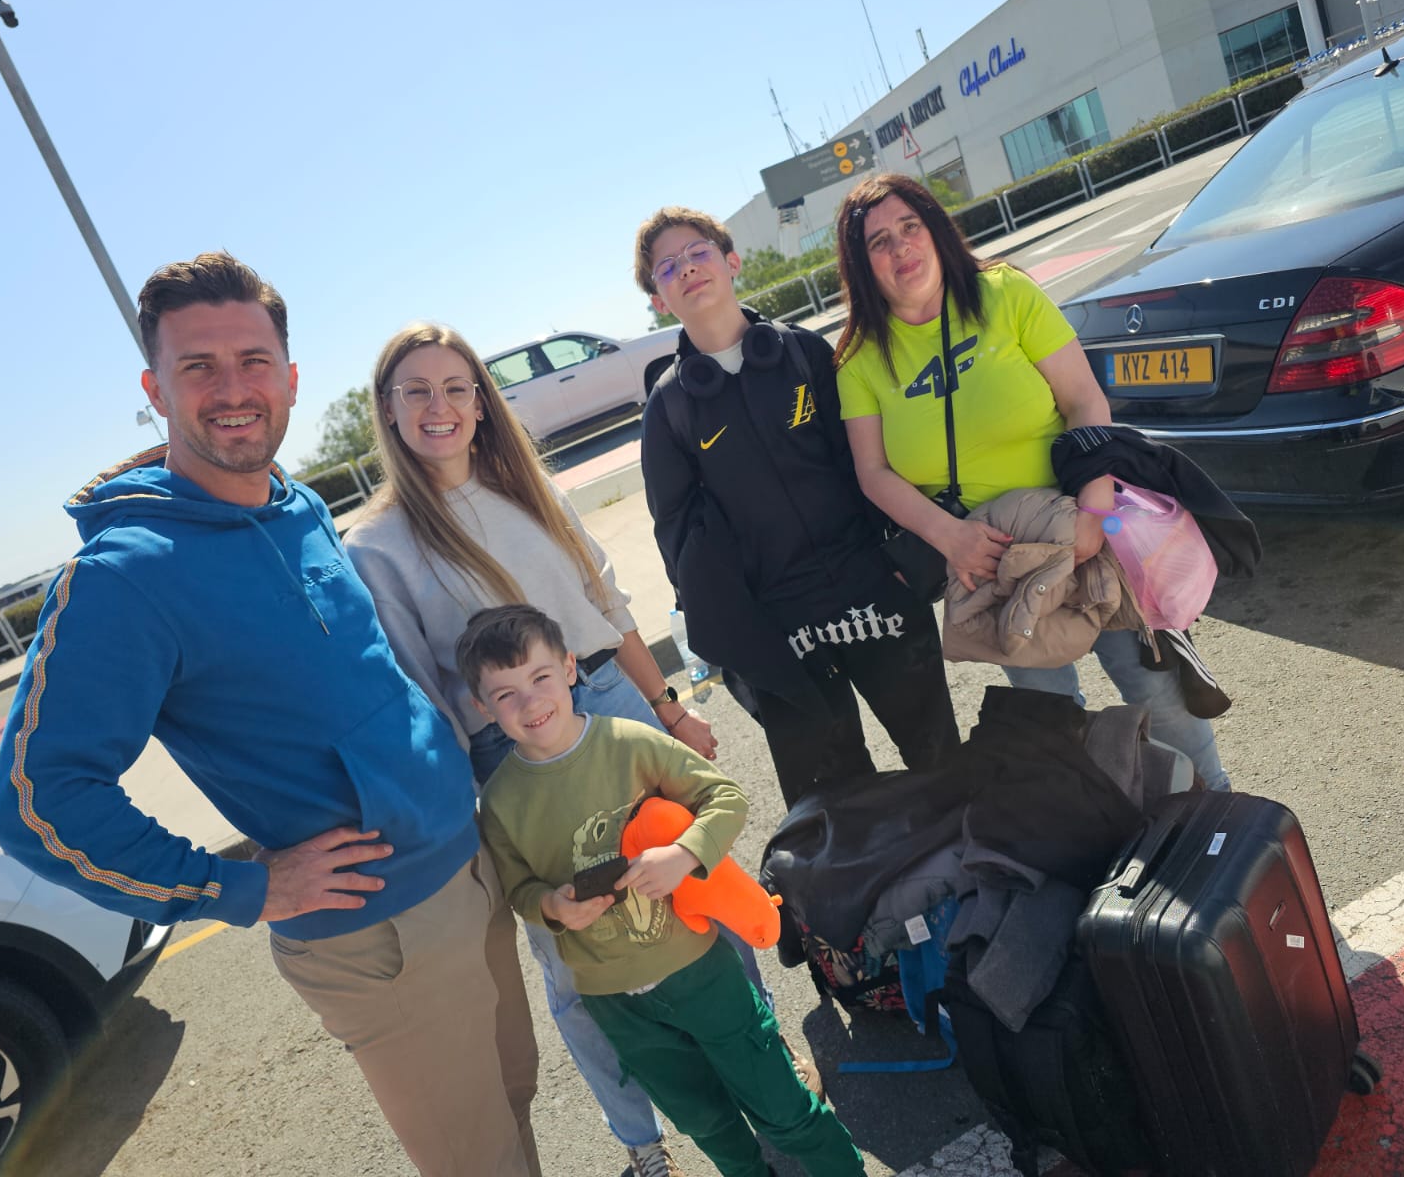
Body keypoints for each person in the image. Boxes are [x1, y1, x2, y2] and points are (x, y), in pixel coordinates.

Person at [0, 253, 540, 1177]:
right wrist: (238, 889)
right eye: (197, 366)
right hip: (379, 932)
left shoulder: (300, 506)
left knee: (515, 1103)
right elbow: (40, 801)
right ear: (153, 387)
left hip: (470, 870)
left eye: (252, 361)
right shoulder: (124, 575)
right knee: (476, 1162)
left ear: (290, 377)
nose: (232, 389)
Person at [345, 321, 744, 1177]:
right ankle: (643, 1142)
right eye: (415, 391)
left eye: (457, 388)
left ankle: (764, 1073)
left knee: (696, 889)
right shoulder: (375, 546)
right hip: (512, 753)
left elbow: (609, 598)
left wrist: (668, 708)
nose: (439, 407)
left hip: (610, 701)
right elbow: (426, 699)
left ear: (483, 404)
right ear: (387, 411)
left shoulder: (529, 489)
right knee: (578, 952)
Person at [831, 174, 1230, 791]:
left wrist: (1094, 514)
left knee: (1159, 695)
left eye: (910, 226)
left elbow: (1083, 400)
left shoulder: (1005, 294)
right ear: (862, 265)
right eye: (879, 242)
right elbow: (872, 472)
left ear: (936, 228)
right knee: (1052, 726)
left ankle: (1222, 820)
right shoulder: (859, 358)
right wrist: (951, 538)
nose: (901, 247)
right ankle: (1117, 841)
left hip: (1086, 524)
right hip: (996, 563)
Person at [461, 604, 867, 1177]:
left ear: (571, 668)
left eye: (540, 678)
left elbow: (726, 799)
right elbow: (518, 889)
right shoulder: (500, 801)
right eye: (505, 695)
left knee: (784, 1107)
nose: (530, 703)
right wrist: (550, 906)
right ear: (482, 707)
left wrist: (682, 856)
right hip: (615, 1001)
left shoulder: (629, 743)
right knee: (707, 1124)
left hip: (700, 971)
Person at [636, 207, 959, 808]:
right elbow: (679, 541)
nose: (687, 269)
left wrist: (899, 565)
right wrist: (736, 638)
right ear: (659, 300)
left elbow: (867, 462)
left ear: (731, 263)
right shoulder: (669, 409)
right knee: (837, 803)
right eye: (667, 268)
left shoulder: (803, 354)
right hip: (778, 625)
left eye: (698, 253)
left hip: (872, 590)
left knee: (940, 758)